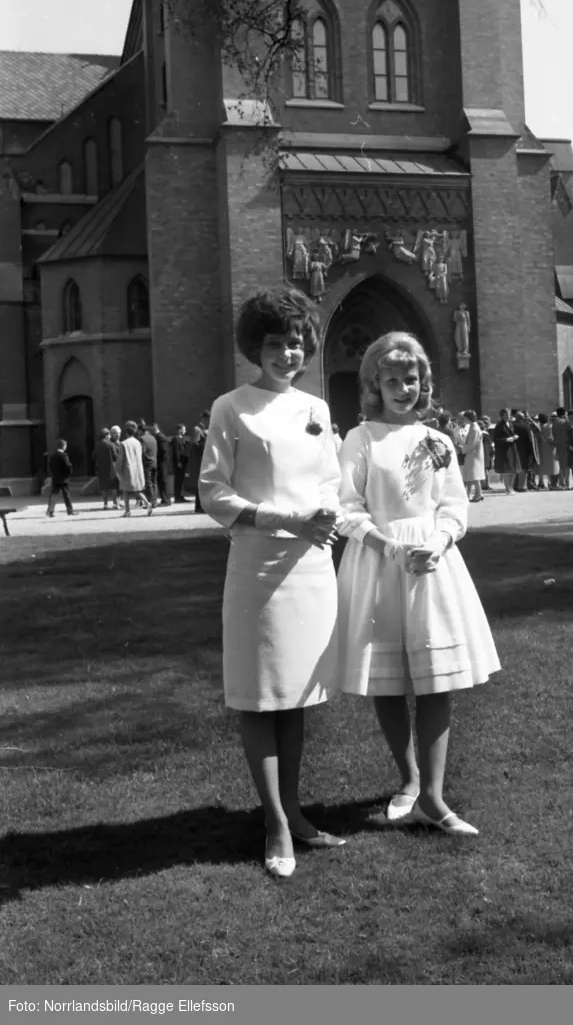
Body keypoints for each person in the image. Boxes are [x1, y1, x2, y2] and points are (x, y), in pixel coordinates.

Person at [199, 286, 342, 880]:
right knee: (262, 694)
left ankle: (296, 809)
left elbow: (330, 477)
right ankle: (275, 822)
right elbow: (214, 493)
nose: (289, 354)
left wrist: (328, 513)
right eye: (276, 344)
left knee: (297, 696)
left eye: (297, 343)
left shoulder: (317, 409)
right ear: (255, 348)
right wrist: (291, 521)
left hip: (312, 566)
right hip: (259, 564)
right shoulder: (230, 407)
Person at [336, 332, 500, 837]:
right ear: (374, 385)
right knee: (388, 678)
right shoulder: (361, 439)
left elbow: (453, 504)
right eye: (392, 381)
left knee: (435, 679)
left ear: (423, 383)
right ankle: (407, 779)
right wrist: (386, 545)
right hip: (380, 562)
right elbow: (347, 507)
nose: (403, 389)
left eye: (411, 379)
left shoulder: (439, 441)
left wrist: (442, 540)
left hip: (432, 564)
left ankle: (433, 794)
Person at [115, 421, 153, 516]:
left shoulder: (123, 444)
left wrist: (118, 470)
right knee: (137, 490)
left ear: (126, 432)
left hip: (127, 469)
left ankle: (127, 510)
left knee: (125, 490)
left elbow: (121, 459)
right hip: (137, 469)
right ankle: (147, 503)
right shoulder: (138, 442)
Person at [493, 407, 521, 494]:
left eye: (509, 414)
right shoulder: (499, 425)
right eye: (506, 414)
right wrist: (509, 439)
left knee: (513, 469)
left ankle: (511, 487)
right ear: (502, 416)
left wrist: (515, 437)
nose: (509, 416)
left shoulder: (510, 424)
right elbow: (497, 438)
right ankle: (507, 489)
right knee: (506, 470)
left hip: (512, 448)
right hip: (504, 450)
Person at [46, 439, 76, 517]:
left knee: (53, 495)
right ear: (64, 446)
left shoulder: (53, 456)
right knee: (66, 495)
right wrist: (69, 474)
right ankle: (70, 511)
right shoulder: (64, 455)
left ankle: (50, 511)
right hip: (64, 479)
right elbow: (68, 466)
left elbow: (50, 466)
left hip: (56, 478)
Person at [461, 410, 485, 502]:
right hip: (474, 454)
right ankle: (478, 493)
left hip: (473, 454)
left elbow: (472, 444)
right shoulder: (473, 427)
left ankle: (478, 493)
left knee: (474, 475)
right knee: (474, 475)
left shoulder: (474, 428)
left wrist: (463, 449)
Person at [93, 427, 120, 509]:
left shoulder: (97, 445)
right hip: (111, 469)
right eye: (108, 435)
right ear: (105, 436)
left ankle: (105, 504)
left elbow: (93, 456)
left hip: (101, 469)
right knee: (114, 487)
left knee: (104, 487)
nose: (109, 437)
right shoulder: (111, 445)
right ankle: (115, 504)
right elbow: (115, 457)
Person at [191, 410, 211, 513]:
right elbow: (194, 445)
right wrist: (206, 443)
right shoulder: (197, 429)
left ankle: (204, 506)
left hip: (207, 459)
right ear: (205, 419)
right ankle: (199, 507)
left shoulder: (207, 429)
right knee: (201, 483)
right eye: (209, 419)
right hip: (200, 460)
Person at [137, 421, 159, 508]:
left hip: (147, 463)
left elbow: (142, 451)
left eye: (138, 431)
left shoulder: (142, 438)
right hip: (154, 462)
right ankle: (155, 500)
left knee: (148, 482)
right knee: (154, 482)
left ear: (140, 430)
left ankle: (150, 502)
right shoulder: (153, 437)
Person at [536, 413, 559, 489]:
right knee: (551, 466)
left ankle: (541, 482)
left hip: (541, 448)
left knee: (541, 466)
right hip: (549, 448)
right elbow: (550, 438)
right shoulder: (549, 426)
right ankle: (550, 483)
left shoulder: (539, 427)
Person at [551, 408, 572, 489]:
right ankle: (567, 483)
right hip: (566, 446)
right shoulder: (567, 422)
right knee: (566, 466)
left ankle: (561, 483)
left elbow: (553, 434)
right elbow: (570, 433)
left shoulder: (555, 423)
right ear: (564, 413)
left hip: (558, 446)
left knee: (560, 466)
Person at [152, 423, 171, 506]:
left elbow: (163, 449)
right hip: (162, 462)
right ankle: (165, 499)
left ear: (154, 429)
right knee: (162, 481)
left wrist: (156, 455)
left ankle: (165, 500)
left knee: (162, 481)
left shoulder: (159, 436)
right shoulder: (160, 436)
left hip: (161, 462)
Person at [170, 424, 191, 502]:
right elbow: (176, 451)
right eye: (184, 429)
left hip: (183, 462)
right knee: (178, 480)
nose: (185, 431)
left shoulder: (182, 438)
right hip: (179, 464)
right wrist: (178, 462)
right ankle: (177, 497)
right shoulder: (176, 439)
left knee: (181, 480)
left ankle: (180, 495)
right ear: (180, 430)